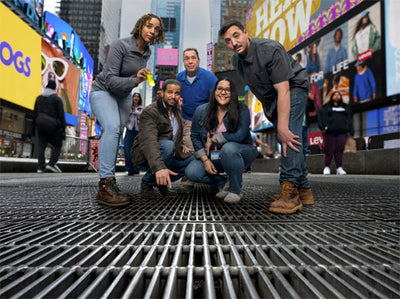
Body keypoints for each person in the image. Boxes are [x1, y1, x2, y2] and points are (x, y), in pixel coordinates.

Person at [219, 20, 314, 214]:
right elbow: (257, 89)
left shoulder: (270, 49)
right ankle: (304, 190)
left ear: (245, 33)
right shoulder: (237, 61)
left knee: (288, 136)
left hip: (293, 88)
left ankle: (290, 192)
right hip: (272, 98)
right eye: (228, 41)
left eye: (236, 36)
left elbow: (284, 89)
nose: (234, 43)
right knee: (287, 135)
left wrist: (281, 126)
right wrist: (271, 113)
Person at [90, 13, 164, 206]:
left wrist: (138, 78)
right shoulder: (120, 46)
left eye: (156, 29)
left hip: (123, 96)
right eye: (149, 26)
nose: (152, 31)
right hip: (103, 92)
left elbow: (128, 82)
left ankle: (111, 183)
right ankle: (105, 185)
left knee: (117, 134)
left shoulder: (146, 52)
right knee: (113, 128)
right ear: (140, 26)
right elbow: (109, 80)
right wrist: (135, 80)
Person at [185, 78, 258, 203]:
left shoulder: (242, 109)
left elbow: (240, 135)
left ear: (233, 93)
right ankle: (224, 183)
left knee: (229, 148)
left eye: (227, 90)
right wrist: (205, 160)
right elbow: (195, 136)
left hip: (239, 153)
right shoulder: (201, 111)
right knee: (192, 172)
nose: (223, 92)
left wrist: (214, 138)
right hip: (212, 157)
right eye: (220, 89)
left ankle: (235, 190)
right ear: (214, 91)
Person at [131, 79, 194, 195]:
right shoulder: (150, 111)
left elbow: (172, 134)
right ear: (163, 93)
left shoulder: (176, 110)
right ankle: (147, 183)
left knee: (193, 159)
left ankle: (161, 182)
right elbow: (149, 141)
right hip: (146, 156)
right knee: (168, 145)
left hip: (168, 155)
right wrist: (159, 168)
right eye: (170, 92)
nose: (173, 96)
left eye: (177, 93)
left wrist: (181, 145)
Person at [176, 48, 218, 151]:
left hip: (207, 122)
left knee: (212, 151)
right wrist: (180, 119)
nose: (190, 61)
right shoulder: (178, 78)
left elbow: (217, 102)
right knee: (193, 153)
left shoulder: (210, 78)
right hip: (188, 122)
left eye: (193, 58)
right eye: (187, 58)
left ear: (198, 60)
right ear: (183, 62)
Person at [318, 91, 354, 175]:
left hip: (342, 132)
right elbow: (320, 117)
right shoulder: (326, 107)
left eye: (338, 95)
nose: (337, 96)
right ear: (332, 97)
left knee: (339, 150)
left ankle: (339, 167)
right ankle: (327, 166)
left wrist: (350, 130)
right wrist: (322, 127)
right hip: (329, 132)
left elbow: (350, 120)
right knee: (328, 150)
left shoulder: (346, 107)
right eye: (335, 95)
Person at [33, 80, 66, 173]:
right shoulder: (57, 99)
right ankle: (51, 164)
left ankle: (40, 167)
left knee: (41, 145)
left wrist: (36, 125)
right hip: (53, 126)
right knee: (57, 145)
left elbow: (35, 113)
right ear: (54, 88)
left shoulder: (39, 98)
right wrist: (63, 130)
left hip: (41, 124)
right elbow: (61, 115)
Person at [124, 92, 143, 175]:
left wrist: (136, 113)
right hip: (129, 130)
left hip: (138, 131)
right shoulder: (128, 108)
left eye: (138, 97)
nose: (136, 98)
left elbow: (143, 117)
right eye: (135, 96)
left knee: (137, 150)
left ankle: (136, 168)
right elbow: (124, 116)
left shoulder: (141, 108)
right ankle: (129, 168)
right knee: (127, 150)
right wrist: (131, 111)